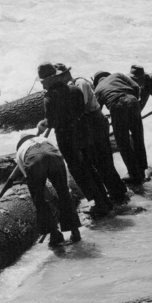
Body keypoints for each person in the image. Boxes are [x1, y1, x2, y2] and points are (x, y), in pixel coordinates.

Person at [36, 62, 112, 216]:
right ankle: (105, 200)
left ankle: (98, 204)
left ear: (50, 79)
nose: (43, 85)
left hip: (66, 136)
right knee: (89, 166)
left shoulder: (50, 96)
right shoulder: (75, 89)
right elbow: (81, 110)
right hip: (82, 131)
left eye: (43, 81)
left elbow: (51, 122)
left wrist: (42, 125)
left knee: (78, 169)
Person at [55, 63, 127, 203]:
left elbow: (80, 105)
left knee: (103, 159)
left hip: (95, 121)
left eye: (59, 77)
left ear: (66, 75)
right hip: (89, 123)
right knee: (97, 160)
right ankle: (114, 192)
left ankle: (118, 193)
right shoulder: (72, 87)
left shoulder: (79, 83)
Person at [0, 135, 81, 247]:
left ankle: (54, 234)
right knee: (64, 193)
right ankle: (75, 231)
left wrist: (52, 200)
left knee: (39, 199)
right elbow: (62, 181)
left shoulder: (20, 154)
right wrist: (60, 197)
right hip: (54, 155)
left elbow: (41, 190)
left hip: (34, 160)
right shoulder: (45, 140)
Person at [93, 70, 148, 185]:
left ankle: (134, 174)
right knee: (138, 137)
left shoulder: (98, 89)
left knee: (123, 143)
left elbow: (97, 109)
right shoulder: (117, 75)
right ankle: (143, 170)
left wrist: (110, 113)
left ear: (97, 81)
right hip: (133, 101)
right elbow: (136, 86)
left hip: (117, 106)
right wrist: (134, 99)